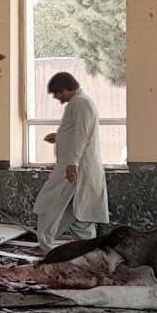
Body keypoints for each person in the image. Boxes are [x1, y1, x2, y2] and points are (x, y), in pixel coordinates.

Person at [33, 72, 109, 252]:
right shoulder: (79, 102)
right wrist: (60, 137)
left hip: (74, 168)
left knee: (49, 203)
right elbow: (76, 133)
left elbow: (82, 135)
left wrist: (72, 163)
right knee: (78, 214)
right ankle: (88, 251)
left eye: (57, 93)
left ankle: (46, 245)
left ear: (66, 88)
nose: (56, 97)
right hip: (74, 166)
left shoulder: (81, 103)